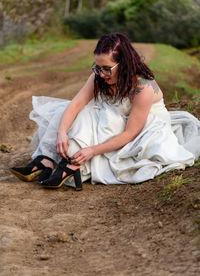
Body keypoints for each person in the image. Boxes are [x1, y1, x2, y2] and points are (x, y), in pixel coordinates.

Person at [10, 32, 200, 190]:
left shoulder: (144, 87)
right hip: (112, 119)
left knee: (99, 117)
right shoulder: (99, 76)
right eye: (98, 67)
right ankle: (46, 160)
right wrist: (61, 133)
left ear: (124, 63)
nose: (101, 74)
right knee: (75, 112)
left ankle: (71, 164)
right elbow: (76, 103)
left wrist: (92, 150)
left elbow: (130, 133)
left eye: (107, 69)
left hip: (140, 129)